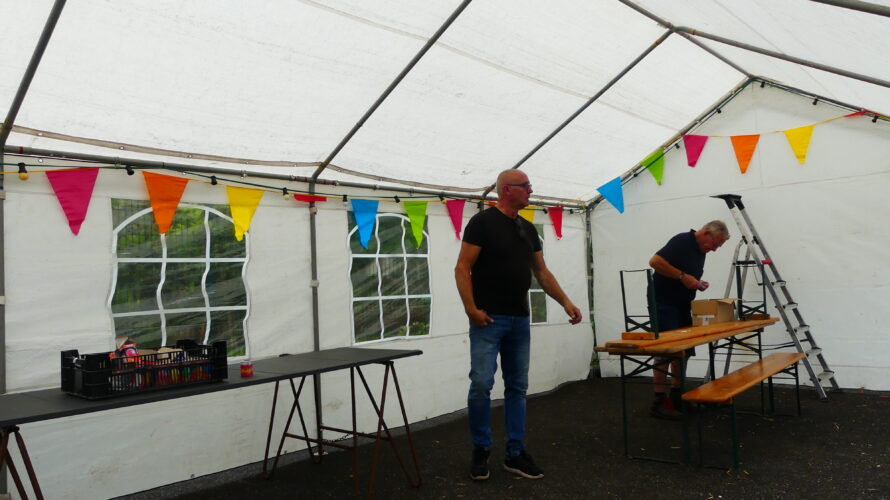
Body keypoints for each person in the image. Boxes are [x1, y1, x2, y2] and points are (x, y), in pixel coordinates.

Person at [454, 169, 583, 481]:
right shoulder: (482, 222)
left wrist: (566, 302)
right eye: (525, 186)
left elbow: (542, 272)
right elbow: (462, 267)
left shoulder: (527, 228)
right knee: (481, 384)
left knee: (517, 387)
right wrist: (471, 309)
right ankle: (481, 449)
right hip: (488, 320)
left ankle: (515, 452)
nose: (530, 190)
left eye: (529, 185)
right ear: (507, 190)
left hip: (519, 320)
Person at [647, 220, 729, 419]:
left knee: (684, 350)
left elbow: (686, 275)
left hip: (683, 303)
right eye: (715, 244)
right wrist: (683, 277)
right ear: (706, 233)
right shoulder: (682, 241)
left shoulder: (700, 250)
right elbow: (655, 262)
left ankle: (677, 395)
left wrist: (697, 283)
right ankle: (659, 401)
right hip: (664, 302)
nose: (714, 249)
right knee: (665, 350)